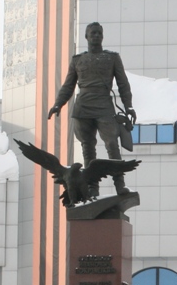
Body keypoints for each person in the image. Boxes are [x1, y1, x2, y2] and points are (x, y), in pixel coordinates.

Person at [49, 22, 135, 199]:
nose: (96, 36)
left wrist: (129, 106)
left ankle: (120, 185)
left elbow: (123, 84)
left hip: (104, 105)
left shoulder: (112, 58)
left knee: (112, 144)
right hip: (83, 107)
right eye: (93, 33)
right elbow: (68, 86)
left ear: (102, 36)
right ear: (86, 37)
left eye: (99, 33)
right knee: (88, 149)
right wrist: (58, 104)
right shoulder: (77, 60)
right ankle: (92, 189)